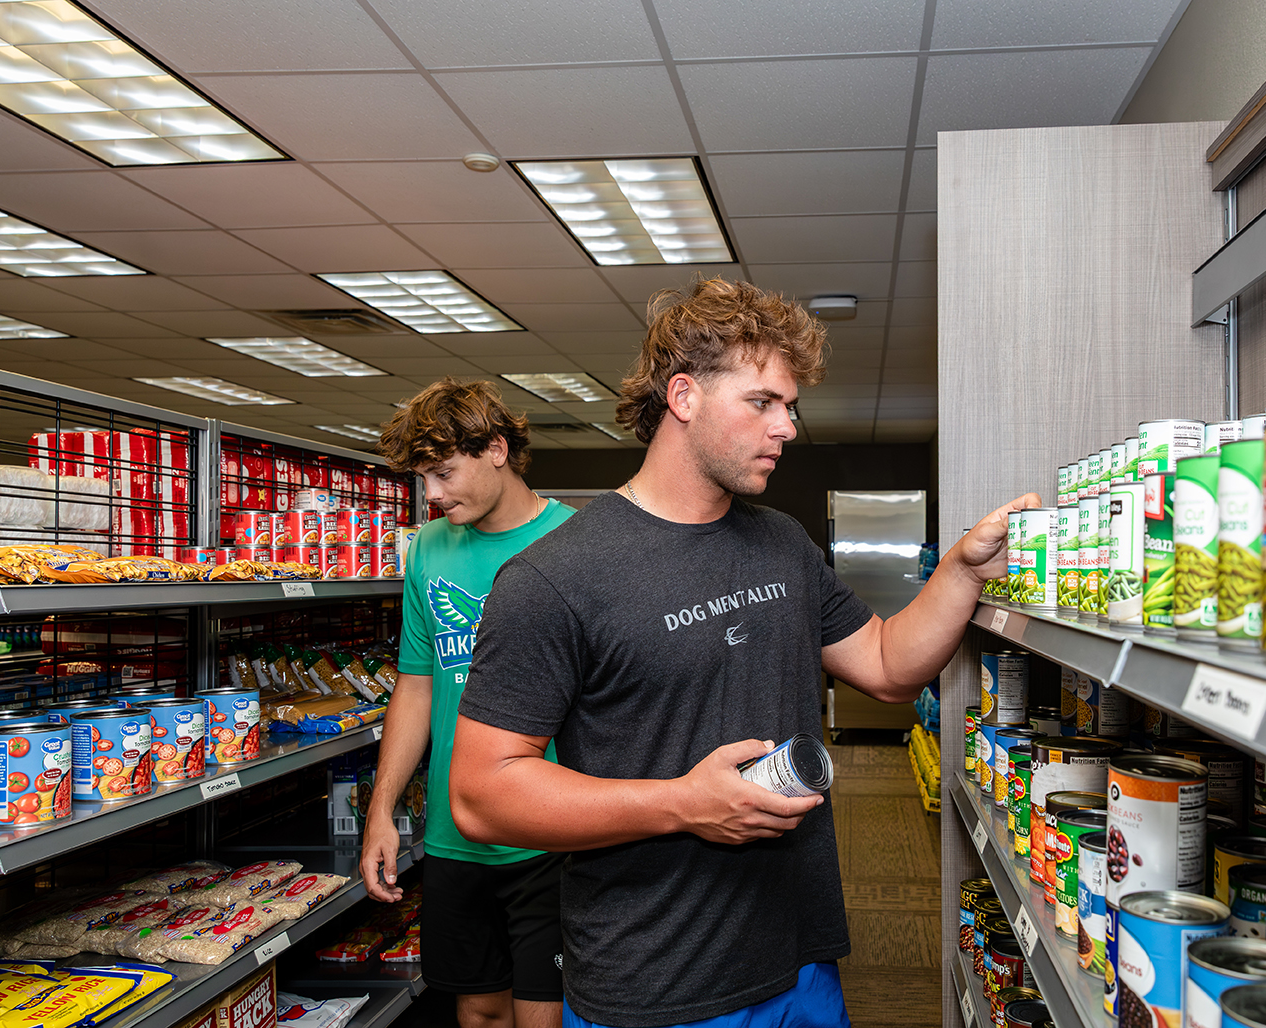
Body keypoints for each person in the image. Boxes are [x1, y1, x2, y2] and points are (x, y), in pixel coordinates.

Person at [449, 279, 1037, 1028]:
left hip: (799, 955)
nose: (787, 427)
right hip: (657, 981)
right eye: (763, 402)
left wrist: (960, 571)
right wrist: (681, 806)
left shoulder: (781, 542)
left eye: (790, 406)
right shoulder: (554, 578)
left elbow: (890, 668)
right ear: (684, 396)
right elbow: (480, 794)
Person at [362, 377, 576, 1028]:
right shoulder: (429, 548)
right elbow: (418, 684)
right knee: (479, 1011)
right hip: (456, 836)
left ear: (496, 450)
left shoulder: (575, 543)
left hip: (552, 832)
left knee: (546, 1016)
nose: (432, 495)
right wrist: (381, 809)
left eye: (444, 473)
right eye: (424, 478)